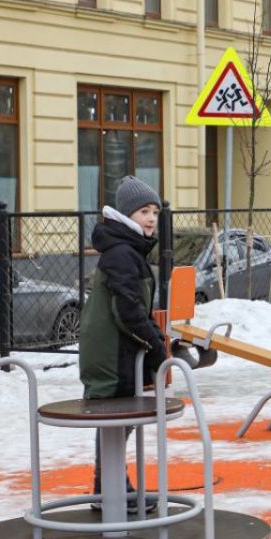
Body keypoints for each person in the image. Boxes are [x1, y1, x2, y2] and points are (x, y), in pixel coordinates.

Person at [79, 175, 168, 503]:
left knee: (117, 425)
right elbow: (127, 310)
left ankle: (112, 489)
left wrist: (153, 338)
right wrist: (156, 344)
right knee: (116, 422)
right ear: (126, 215)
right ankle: (112, 491)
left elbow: (132, 307)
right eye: (144, 211)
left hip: (115, 353)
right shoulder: (121, 253)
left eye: (155, 213)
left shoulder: (128, 250)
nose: (151, 219)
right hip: (111, 357)